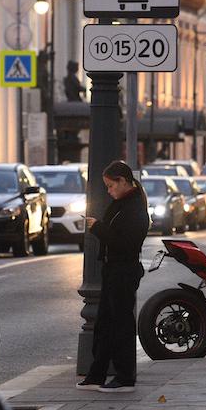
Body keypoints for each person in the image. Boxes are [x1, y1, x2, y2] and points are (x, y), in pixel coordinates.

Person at [78, 160, 150, 393]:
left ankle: (124, 376)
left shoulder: (134, 207)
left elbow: (124, 242)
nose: (109, 191)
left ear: (122, 181)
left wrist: (97, 227)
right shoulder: (122, 203)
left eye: (111, 186)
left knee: (120, 324)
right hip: (112, 268)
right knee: (105, 323)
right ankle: (97, 373)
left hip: (123, 269)